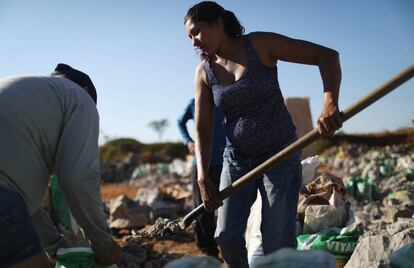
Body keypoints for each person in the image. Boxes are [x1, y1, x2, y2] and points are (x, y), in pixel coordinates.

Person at [184, 2, 343, 267]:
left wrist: (330, 103)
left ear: (217, 23)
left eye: (196, 32)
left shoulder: (259, 45)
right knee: (227, 236)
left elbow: (327, 56)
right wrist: (203, 177)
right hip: (236, 161)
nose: (194, 43)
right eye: (189, 37)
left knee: (276, 243)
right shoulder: (204, 72)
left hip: (279, 155)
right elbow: (202, 128)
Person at [0, 64, 122, 267]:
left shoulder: (29, 95)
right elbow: (78, 179)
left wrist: (54, 245)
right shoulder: (80, 99)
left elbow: (27, 203)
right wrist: (104, 245)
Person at [177, 98, 226, 257]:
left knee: (228, 207)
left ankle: (228, 248)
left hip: (227, 162)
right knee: (203, 208)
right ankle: (208, 251)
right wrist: (188, 142)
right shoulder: (195, 102)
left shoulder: (226, 99)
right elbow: (180, 122)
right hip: (200, 165)